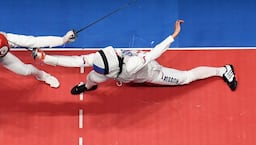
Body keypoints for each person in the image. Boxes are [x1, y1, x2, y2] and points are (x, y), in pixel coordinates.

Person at [32, 20, 238, 95]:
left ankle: (223, 70)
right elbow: (73, 61)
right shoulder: (98, 58)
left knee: (185, 78)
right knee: (91, 79)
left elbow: (155, 53)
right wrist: (45, 57)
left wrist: (172, 36)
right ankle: (88, 87)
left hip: (149, 73)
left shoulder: (132, 66)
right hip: (120, 74)